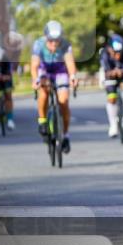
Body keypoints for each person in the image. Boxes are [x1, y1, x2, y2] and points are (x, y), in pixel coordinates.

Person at [30, 20, 78, 153]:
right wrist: (35, 80)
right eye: (51, 40)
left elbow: (70, 64)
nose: (54, 44)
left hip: (60, 71)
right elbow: (34, 66)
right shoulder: (38, 45)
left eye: (57, 40)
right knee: (44, 92)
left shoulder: (65, 45)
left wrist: (73, 76)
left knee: (63, 101)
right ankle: (42, 120)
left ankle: (66, 135)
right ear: (46, 37)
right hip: (44, 70)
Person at [101, 33, 123, 137]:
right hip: (110, 75)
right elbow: (106, 71)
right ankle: (113, 125)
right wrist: (112, 73)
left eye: (120, 53)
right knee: (111, 97)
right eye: (115, 53)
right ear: (109, 48)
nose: (118, 56)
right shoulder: (104, 54)